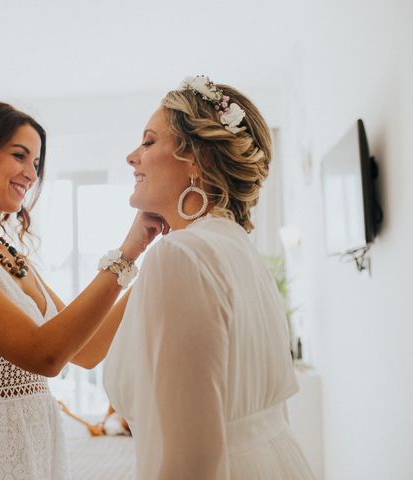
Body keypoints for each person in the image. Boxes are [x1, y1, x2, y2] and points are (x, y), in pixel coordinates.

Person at [0, 101, 163, 479]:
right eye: (19, 156)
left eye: (37, 163)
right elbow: (44, 355)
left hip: (31, 443)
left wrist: (157, 268)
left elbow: (88, 351)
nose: (31, 174)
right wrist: (127, 252)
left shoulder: (14, 257)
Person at [103, 76, 317, 479]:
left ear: (196, 159)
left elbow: (190, 465)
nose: (133, 157)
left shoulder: (180, 257)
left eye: (149, 142)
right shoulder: (239, 247)